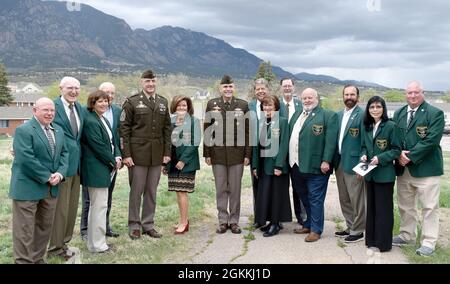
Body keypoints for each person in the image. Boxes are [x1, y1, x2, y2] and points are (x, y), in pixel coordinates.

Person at [9, 98, 68, 264]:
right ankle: (23, 261)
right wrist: (47, 176)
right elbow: (26, 158)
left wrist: (60, 174)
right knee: (24, 229)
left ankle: (37, 259)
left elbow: (65, 154)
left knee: (44, 227)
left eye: (52, 111)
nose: (49, 113)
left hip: (51, 188)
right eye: (45, 110)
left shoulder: (58, 130)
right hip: (27, 187)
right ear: (35, 110)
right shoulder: (24, 130)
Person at [392, 81, 444, 256]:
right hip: (403, 169)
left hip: (426, 170)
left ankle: (428, 242)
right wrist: (398, 154)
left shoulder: (434, 113)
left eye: (416, 92)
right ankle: (407, 235)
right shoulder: (399, 113)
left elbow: (431, 140)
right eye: (409, 93)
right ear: (405, 94)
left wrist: (409, 156)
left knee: (429, 207)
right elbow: (394, 137)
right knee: (406, 206)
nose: (412, 96)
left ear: (423, 93)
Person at [120, 69, 171, 240]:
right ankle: (134, 225)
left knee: (151, 191)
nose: (150, 84)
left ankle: (148, 224)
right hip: (137, 155)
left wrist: (166, 153)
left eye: (153, 81)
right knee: (136, 191)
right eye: (147, 81)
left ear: (156, 82)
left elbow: (167, 130)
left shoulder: (163, 102)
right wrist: (126, 154)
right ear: (141, 82)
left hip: (156, 155)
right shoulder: (132, 102)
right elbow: (124, 130)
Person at [203, 75, 251, 234]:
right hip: (218, 154)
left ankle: (234, 221)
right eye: (225, 87)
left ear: (234, 87)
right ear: (220, 88)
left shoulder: (243, 105)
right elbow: (207, 129)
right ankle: (223, 220)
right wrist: (207, 153)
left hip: (237, 154)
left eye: (230, 86)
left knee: (235, 189)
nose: (228, 89)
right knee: (221, 188)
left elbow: (248, 131)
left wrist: (247, 154)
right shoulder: (212, 104)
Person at [289, 88, 338, 242]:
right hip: (296, 165)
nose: (307, 100)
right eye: (304, 98)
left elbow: (331, 142)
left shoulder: (328, 115)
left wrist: (326, 160)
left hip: (317, 166)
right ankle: (308, 224)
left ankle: (316, 230)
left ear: (317, 98)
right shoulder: (297, 114)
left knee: (315, 198)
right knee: (304, 197)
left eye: (310, 97)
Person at [48, 77, 84, 260]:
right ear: (61, 87)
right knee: (60, 210)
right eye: (70, 88)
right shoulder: (52, 106)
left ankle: (64, 243)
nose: (74, 91)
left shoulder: (79, 108)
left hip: (76, 166)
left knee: (71, 209)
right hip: (60, 166)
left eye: (77, 88)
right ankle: (54, 247)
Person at [80, 82, 122, 241]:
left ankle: (103, 227)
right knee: (90, 200)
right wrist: (112, 160)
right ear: (94, 100)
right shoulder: (87, 115)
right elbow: (96, 144)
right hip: (96, 164)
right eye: (103, 96)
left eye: (110, 95)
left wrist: (117, 156)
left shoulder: (114, 113)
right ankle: (86, 231)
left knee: (105, 199)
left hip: (111, 163)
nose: (107, 99)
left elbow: (115, 138)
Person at [360, 96, 401, 253]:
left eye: (378, 106)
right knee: (371, 208)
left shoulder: (391, 126)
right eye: (372, 107)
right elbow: (363, 146)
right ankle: (371, 240)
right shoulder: (367, 126)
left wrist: (380, 158)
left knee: (383, 210)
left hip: (384, 175)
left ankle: (383, 244)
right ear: (368, 110)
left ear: (383, 108)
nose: (375, 110)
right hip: (370, 174)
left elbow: (396, 150)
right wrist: (363, 155)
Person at [252, 95, 291, 237]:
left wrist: (279, 165)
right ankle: (270, 221)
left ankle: (275, 224)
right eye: (265, 106)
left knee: (276, 195)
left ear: (276, 107)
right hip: (263, 166)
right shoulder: (260, 122)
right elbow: (255, 146)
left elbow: (284, 144)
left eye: (270, 106)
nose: (267, 108)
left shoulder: (282, 122)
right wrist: (255, 166)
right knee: (266, 194)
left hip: (276, 167)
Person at [164, 95, 201, 234]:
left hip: (187, 162)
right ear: (174, 106)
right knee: (178, 193)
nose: (181, 108)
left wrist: (183, 160)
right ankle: (182, 220)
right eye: (179, 105)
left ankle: (184, 223)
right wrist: (165, 162)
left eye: (184, 105)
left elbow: (195, 142)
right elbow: (166, 141)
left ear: (188, 107)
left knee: (182, 192)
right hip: (172, 162)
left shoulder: (194, 121)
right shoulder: (170, 121)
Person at [334, 85, 366, 243]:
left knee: (357, 199)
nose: (349, 97)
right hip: (340, 162)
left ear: (358, 97)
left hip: (355, 163)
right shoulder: (339, 115)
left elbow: (367, 142)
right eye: (346, 94)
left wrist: (363, 167)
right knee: (344, 197)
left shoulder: (363, 115)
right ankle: (350, 225)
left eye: (352, 94)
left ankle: (359, 230)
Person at [279, 78, 305, 228]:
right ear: (281, 88)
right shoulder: (277, 105)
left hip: (296, 152)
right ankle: (281, 216)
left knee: (298, 186)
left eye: (289, 85)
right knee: (282, 186)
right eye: (285, 86)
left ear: (293, 88)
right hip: (281, 152)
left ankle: (301, 217)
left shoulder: (300, 105)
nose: (287, 88)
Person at [248, 78, 269, 228]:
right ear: (254, 91)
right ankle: (258, 218)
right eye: (258, 89)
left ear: (267, 89)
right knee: (256, 184)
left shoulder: (275, 104)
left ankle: (274, 217)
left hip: (271, 151)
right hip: (254, 151)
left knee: (272, 185)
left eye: (263, 88)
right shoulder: (248, 106)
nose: (261, 91)